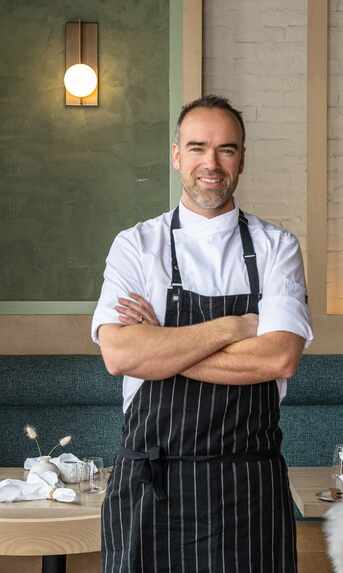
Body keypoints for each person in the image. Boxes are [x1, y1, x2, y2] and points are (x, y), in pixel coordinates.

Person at [92, 95, 313, 573]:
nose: (210, 163)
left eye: (225, 149)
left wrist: (162, 345)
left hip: (248, 488)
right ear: (176, 156)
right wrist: (232, 327)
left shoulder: (278, 248)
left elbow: (276, 359)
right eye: (197, 148)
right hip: (153, 484)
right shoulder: (136, 245)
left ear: (242, 159)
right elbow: (119, 354)